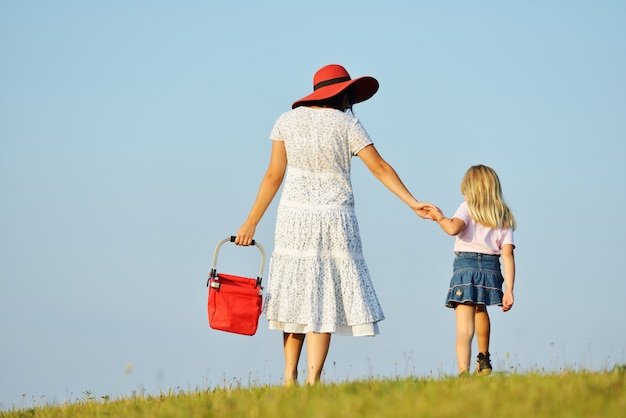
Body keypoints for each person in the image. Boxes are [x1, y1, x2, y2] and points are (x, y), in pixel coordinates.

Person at [235, 64, 430, 386]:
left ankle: (288, 377)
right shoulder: (349, 124)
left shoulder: (286, 120)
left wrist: (250, 222)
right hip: (335, 218)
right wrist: (412, 202)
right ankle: (313, 380)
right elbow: (379, 167)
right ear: (342, 93)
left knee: (294, 294)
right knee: (322, 297)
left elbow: (273, 175)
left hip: (294, 216)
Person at [425, 164, 516, 376]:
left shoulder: (467, 207)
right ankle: (483, 359)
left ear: (470, 188)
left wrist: (439, 217)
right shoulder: (502, 215)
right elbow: (508, 254)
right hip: (491, 269)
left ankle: (464, 372)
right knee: (480, 309)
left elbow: (452, 228)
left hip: (465, 267)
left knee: (464, 327)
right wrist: (509, 289)